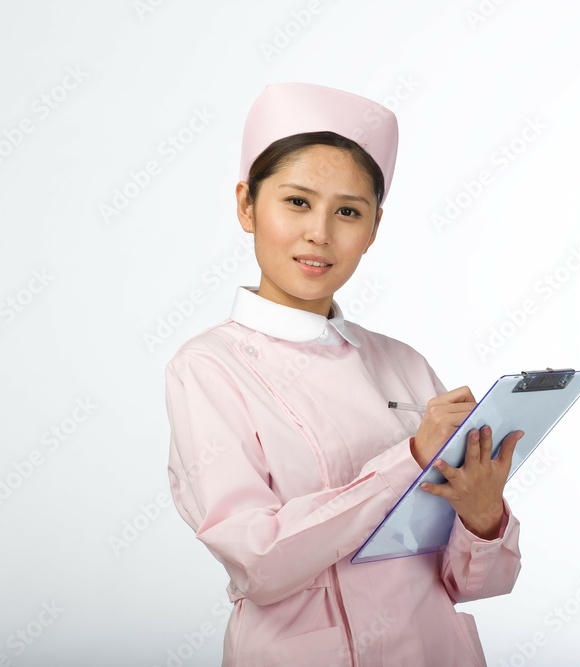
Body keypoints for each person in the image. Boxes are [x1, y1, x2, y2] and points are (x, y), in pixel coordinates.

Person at [165, 82, 524, 667]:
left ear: (374, 228)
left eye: (349, 212)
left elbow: (479, 584)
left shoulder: (403, 363)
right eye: (297, 202)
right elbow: (258, 562)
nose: (320, 233)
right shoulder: (207, 368)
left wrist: (483, 516)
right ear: (247, 205)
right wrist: (409, 459)